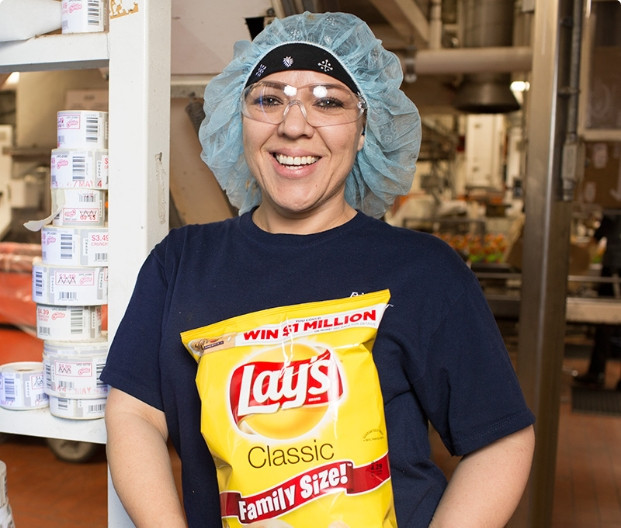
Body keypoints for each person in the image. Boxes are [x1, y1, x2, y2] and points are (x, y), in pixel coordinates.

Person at [101, 11, 535, 527]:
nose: (293, 125)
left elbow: (501, 438)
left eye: (328, 101)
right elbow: (135, 414)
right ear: (236, 117)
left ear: (365, 127)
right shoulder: (179, 262)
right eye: (269, 99)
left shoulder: (424, 270)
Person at [574, 212, 621, 390]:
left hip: (616, 264)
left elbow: (610, 218)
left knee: (605, 321)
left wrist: (591, 243)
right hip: (615, 261)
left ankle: (597, 372)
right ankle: (597, 372)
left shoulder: (615, 187)